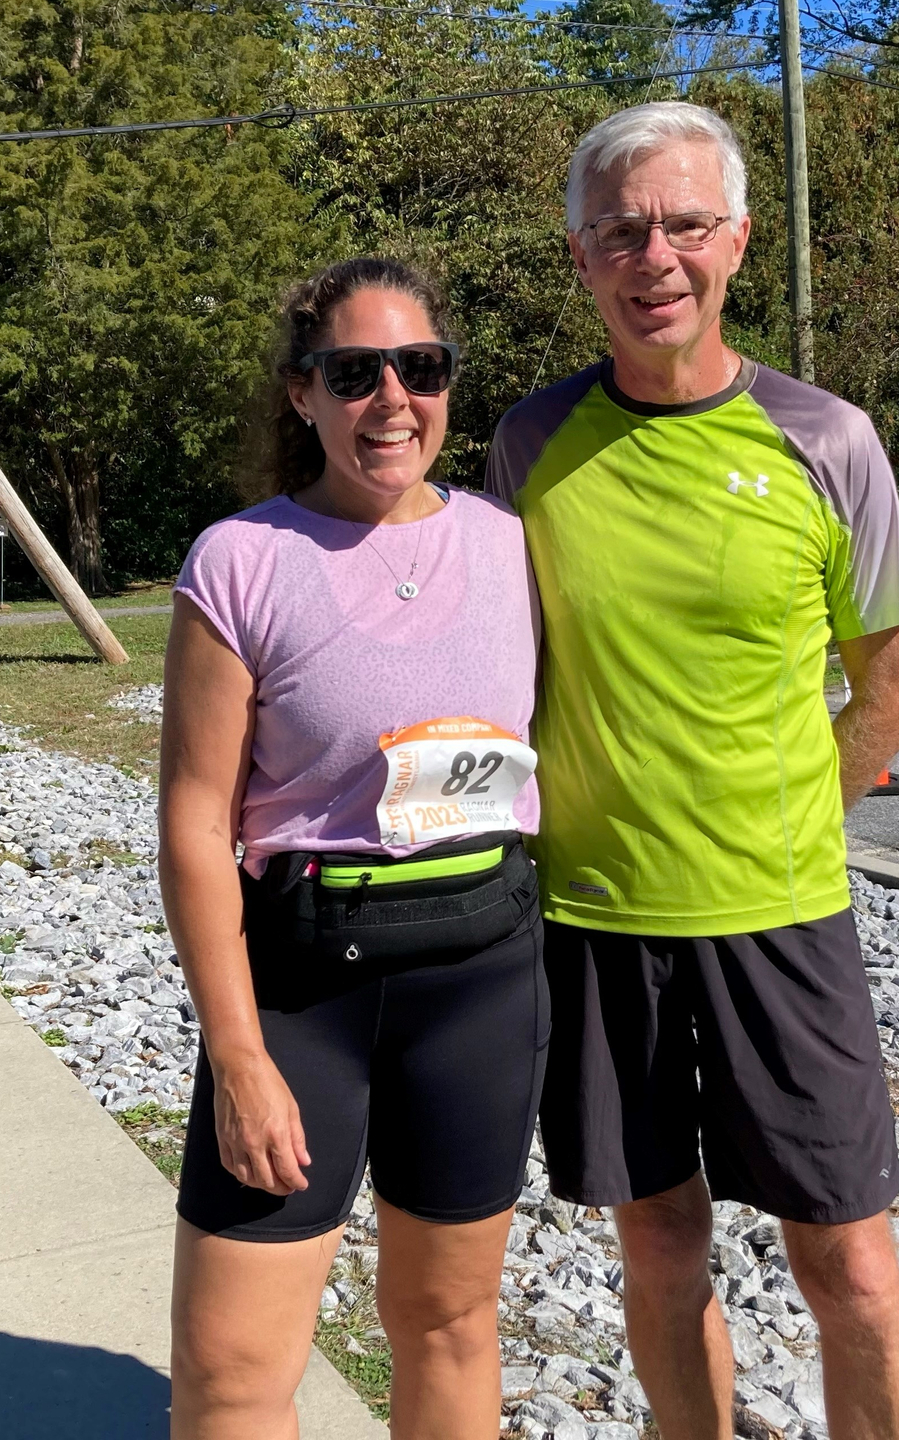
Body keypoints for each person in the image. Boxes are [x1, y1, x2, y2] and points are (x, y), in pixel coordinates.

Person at [487, 102, 899, 1440]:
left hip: (781, 917)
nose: (657, 257)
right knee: (661, 1250)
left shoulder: (829, 441)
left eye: (686, 224)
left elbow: (895, 686)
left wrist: (785, 817)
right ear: (581, 257)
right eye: (622, 230)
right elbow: (502, 665)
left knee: (851, 1266)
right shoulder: (530, 443)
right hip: (594, 922)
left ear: (737, 240)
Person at [160, 256, 547, 1440]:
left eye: (419, 368)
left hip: (480, 980)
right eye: (354, 372)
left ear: (446, 384)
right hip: (303, 990)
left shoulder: (512, 543)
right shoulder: (242, 562)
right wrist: (237, 1058)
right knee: (230, 1372)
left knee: (448, 1327)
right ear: (304, 396)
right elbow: (192, 822)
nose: (392, 399)